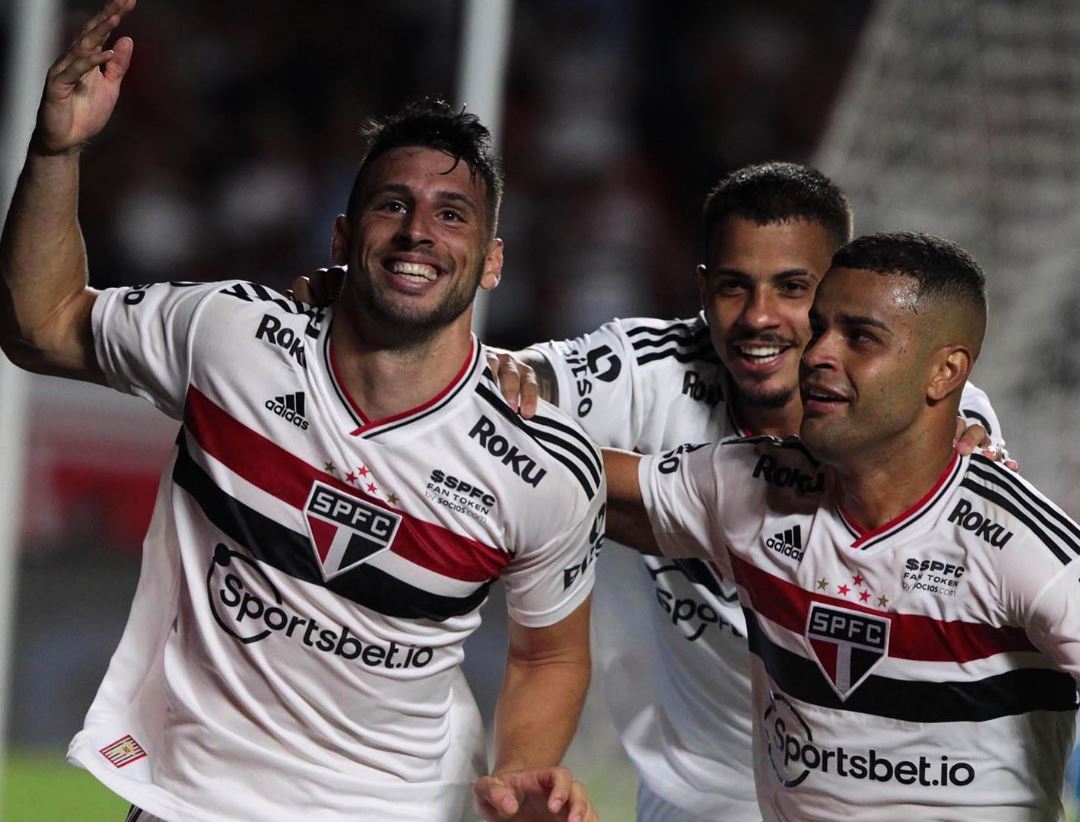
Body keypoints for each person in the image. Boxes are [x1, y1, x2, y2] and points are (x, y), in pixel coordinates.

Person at [0, 2, 602, 820]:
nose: (419, 232)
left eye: (452, 215)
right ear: (343, 236)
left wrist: (517, 772)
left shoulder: (541, 465)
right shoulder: (231, 338)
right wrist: (57, 149)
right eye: (394, 206)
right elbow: (40, 328)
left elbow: (550, 654)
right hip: (192, 801)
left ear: (491, 261)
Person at [491, 163, 1008, 821]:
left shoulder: (935, 415)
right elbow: (503, 378)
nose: (760, 317)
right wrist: (365, 314)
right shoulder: (652, 372)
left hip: (879, 787)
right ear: (703, 290)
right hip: (707, 794)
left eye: (793, 288)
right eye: (736, 288)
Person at [603, 231, 1080, 820]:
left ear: (945, 373)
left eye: (860, 337)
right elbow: (564, 482)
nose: (818, 354)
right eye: (820, 327)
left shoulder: (1020, 545)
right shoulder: (753, 482)